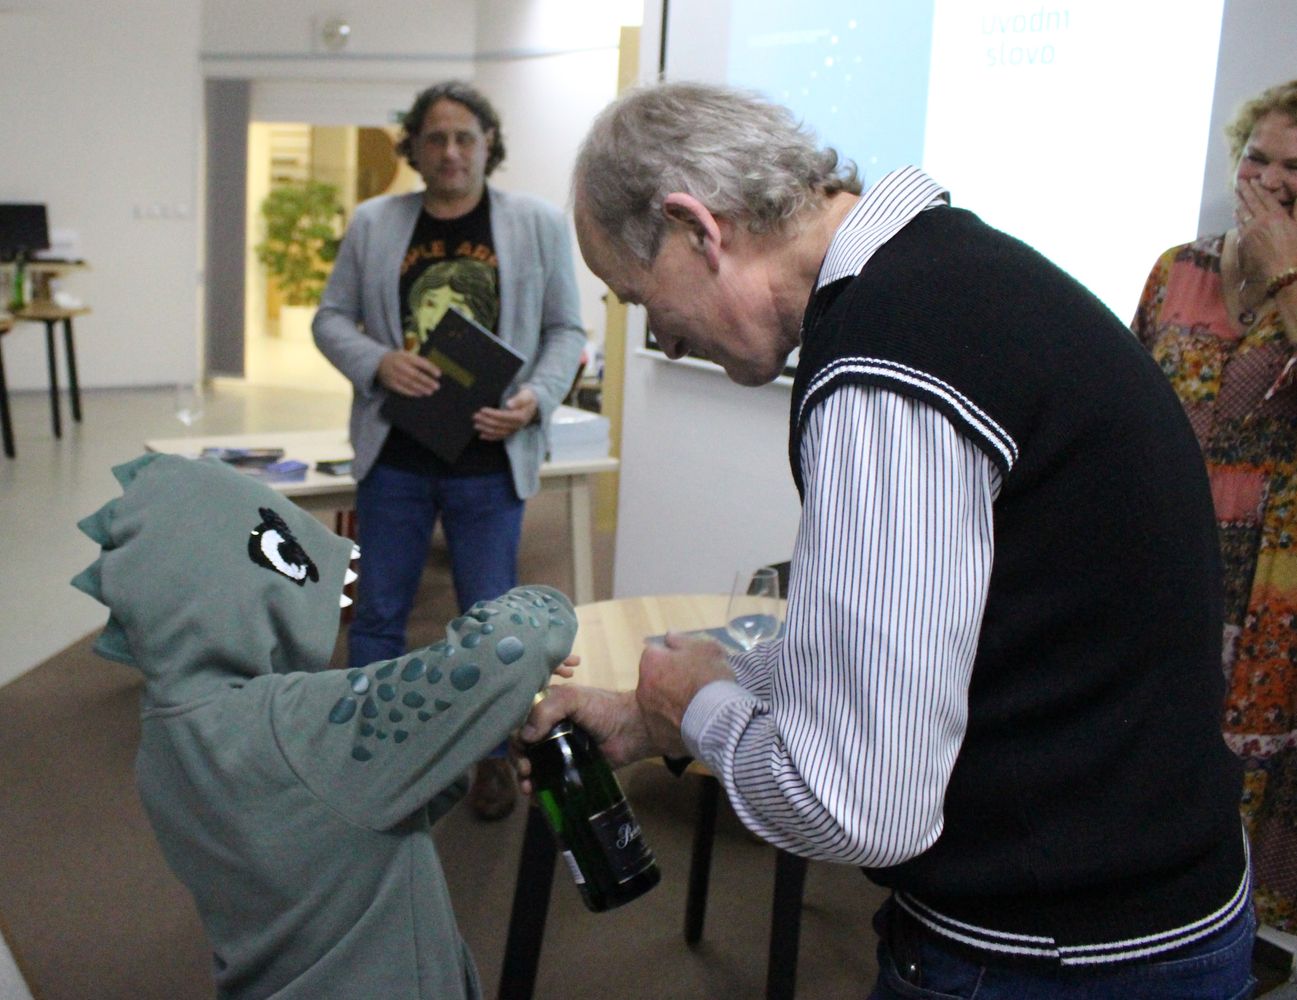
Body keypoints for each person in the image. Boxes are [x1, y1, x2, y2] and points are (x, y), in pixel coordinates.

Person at [517, 81, 1255, 998]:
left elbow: (861, 805)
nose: (659, 338)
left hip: (1052, 951)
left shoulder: (886, 362)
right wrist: (649, 713)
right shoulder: (956, 280)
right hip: (1148, 902)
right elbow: (942, 649)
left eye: (638, 298)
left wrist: (699, 709)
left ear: (696, 229)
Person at [70, 452, 578, 999]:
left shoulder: (161, 741)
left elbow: (342, 813)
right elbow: (514, 646)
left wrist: (457, 737)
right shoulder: (296, 724)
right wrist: (543, 603)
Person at [314, 80, 586, 820]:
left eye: (466, 136)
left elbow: (566, 328)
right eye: (435, 137)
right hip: (396, 457)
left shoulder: (535, 223)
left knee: (492, 627)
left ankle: (493, 757)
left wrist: (537, 397)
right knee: (377, 615)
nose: (451, 151)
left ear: (489, 144)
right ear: (414, 147)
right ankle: (365, 751)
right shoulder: (375, 223)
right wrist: (378, 361)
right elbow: (331, 318)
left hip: (489, 459)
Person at [1133, 79, 1297, 936]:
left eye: (1294, 168)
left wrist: (1286, 272)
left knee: (1242, 791)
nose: (1268, 180)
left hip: (1271, 587)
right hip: (1165, 562)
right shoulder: (1178, 268)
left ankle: (1226, 942)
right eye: (1256, 158)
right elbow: (1124, 404)